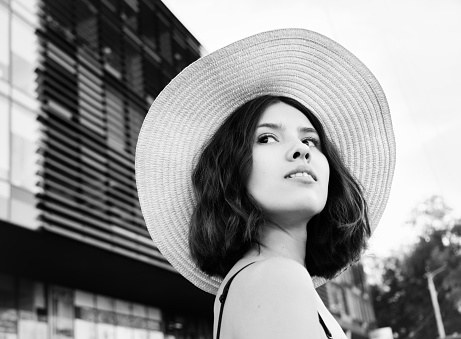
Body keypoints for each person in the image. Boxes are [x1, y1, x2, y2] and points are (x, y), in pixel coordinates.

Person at [135, 29, 396, 338]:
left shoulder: (258, 279)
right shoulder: (275, 278)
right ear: (232, 171)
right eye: (267, 137)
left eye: (310, 140)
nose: (301, 149)